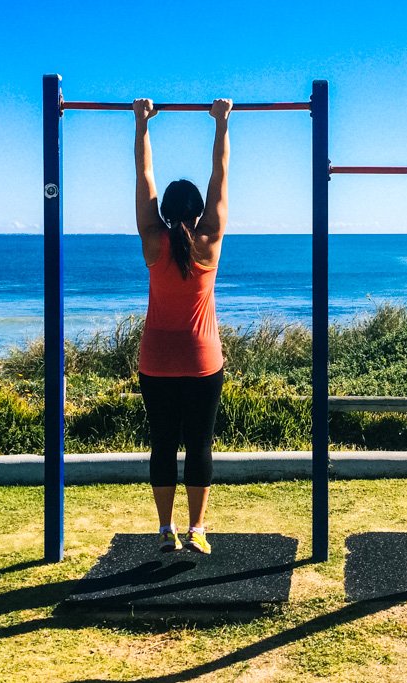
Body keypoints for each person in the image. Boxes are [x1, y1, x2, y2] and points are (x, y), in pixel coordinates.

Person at [133, 96, 232, 554]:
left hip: (155, 362)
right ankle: (196, 530)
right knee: (199, 446)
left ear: (168, 212)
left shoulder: (153, 242)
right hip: (201, 363)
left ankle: (164, 529)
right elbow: (220, 178)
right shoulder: (208, 243)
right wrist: (220, 124)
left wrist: (142, 124)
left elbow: (145, 178)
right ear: (197, 212)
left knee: (162, 446)